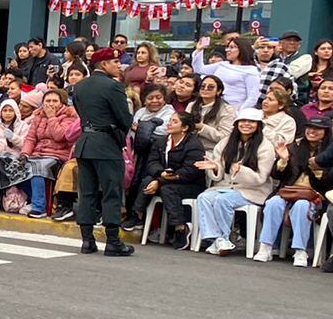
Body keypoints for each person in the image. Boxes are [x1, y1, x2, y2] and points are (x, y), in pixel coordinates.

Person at [72, 46, 136, 256]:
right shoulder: (113, 86)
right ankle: (113, 241)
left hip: (85, 142)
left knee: (87, 193)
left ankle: (87, 240)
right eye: (115, 62)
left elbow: (81, 114)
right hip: (106, 144)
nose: (119, 65)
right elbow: (124, 119)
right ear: (104, 64)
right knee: (111, 192)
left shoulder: (79, 86)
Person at [254, 114, 333, 266]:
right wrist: (283, 161)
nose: (312, 131)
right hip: (288, 191)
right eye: (310, 127)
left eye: (318, 129)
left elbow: (329, 183)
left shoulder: (328, 153)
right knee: (273, 203)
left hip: (314, 195)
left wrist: (318, 173)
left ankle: (300, 250)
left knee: (302, 206)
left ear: (325, 132)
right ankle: (266, 246)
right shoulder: (293, 147)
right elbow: (277, 175)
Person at [193, 108, 275, 255]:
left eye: (251, 121)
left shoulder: (265, 146)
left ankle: (222, 238)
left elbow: (260, 179)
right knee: (204, 197)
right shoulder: (226, 142)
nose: (246, 124)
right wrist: (215, 168)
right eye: (243, 121)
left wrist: (241, 171)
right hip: (225, 186)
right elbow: (219, 173)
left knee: (223, 200)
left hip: (252, 191)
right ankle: (217, 239)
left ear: (258, 125)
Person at [129, 110, 207, 247]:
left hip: (190, 184)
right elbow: (151, 163)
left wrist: (160, 181)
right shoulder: (161, 141)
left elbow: (190, 172)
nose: (169, 123)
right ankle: (137, 215)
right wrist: (160, 174)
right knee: (147, 180)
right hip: (166, 179)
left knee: (168, 189)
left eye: (174, 121)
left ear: (185, 128)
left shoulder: (194, 145)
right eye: (170, 120)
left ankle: (180, 228)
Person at [21, 87, 81, 218]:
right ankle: (26, 199)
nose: (51, 104)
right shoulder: (38, 116)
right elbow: (31, 138)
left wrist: (52, 117)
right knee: (15, 165)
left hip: (57, 155)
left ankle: (39, 207)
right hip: (37, 154)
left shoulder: (69, 116)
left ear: (61, 103)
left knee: (38, 167)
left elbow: (60, 136)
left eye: (55, 101)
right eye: (48, 101)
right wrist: (25, 153)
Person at [191, 34, 261, 108]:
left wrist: (239, 113)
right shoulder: (222, 65)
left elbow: (252, 97)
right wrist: (199, 50)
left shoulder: (251, 71)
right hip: (215, 107)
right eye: (227, 47)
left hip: (234, 109)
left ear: (242, 49)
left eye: (232, 47)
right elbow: (199, 69)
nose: (227, 50)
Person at [191, 74, 236, 151]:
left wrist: (202, 127)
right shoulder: (192, 105)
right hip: (190, 147)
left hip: (212, 150)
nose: (205, 89)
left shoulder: (227, 110)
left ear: (219, 91)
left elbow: (225, 137)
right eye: (202, 86)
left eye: (210, 87)